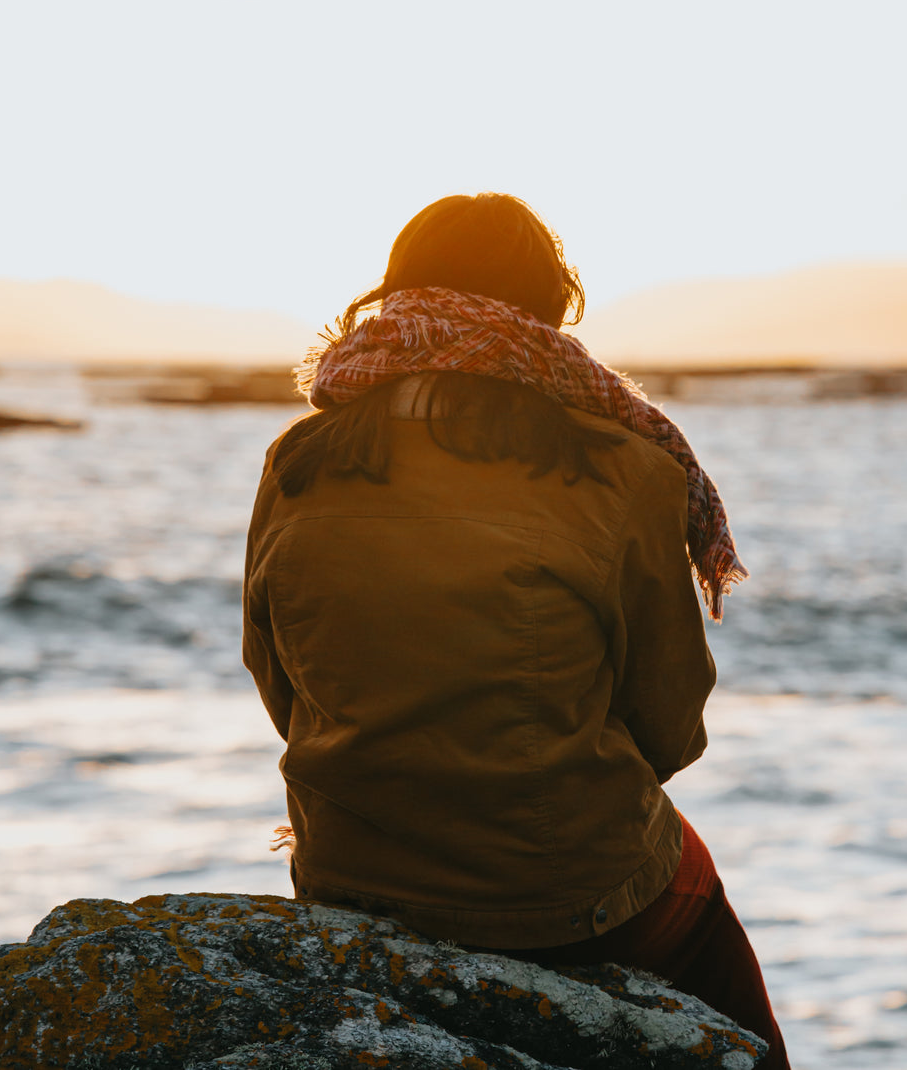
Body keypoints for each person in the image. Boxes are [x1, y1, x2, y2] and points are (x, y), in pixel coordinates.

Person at [243, 192, 790, 1067]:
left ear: (396, 294)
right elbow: (671, 725)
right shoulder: (626, 467)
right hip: (566, 894)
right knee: (725, 991)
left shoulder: (299, 459)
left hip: (348, 875)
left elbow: (279, 684)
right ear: (545, 306)